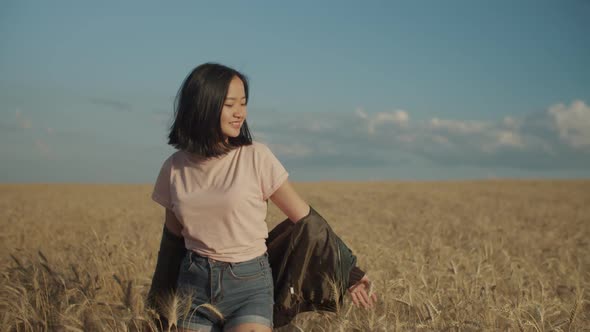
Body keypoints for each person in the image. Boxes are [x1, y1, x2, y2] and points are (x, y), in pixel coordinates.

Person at [150, 62, 376, 332]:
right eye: (230, 104)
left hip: (249, 287)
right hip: (193, 288)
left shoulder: (256, 156)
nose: (240, 113)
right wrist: (157, 308)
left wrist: (349, 273)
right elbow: (172, 243)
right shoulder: (174, 167)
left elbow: (308, 221)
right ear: (203, 104)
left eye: (243, 103)